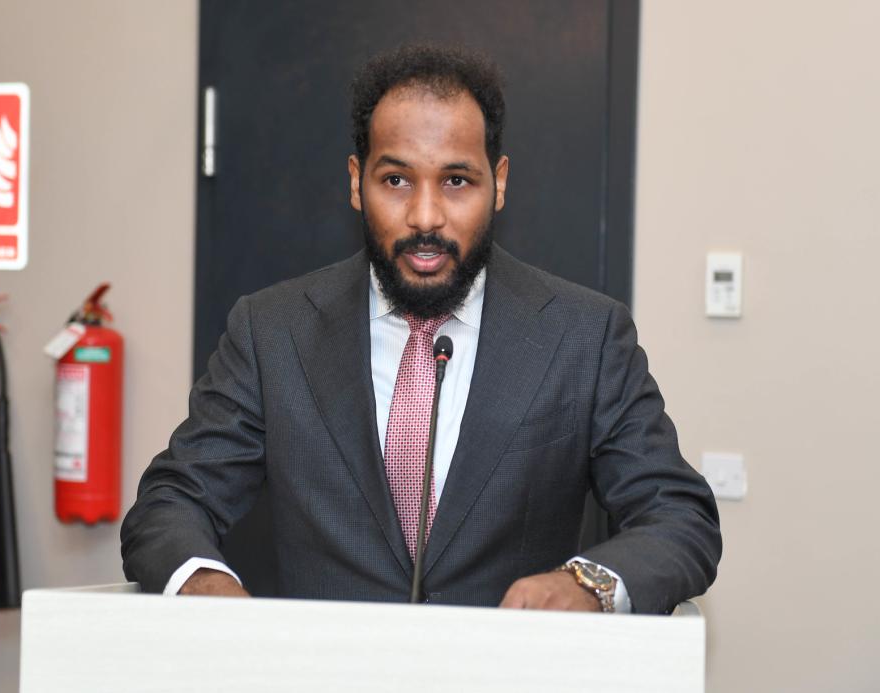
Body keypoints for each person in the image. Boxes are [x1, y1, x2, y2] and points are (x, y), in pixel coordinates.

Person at [121, 44, 721, 614]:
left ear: (499, 182)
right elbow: (171, 503)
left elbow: (679, 517)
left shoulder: (585, 336)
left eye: (456, 180)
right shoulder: (271, 332)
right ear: (356, 181)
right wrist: (204, 587)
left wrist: (588, 586)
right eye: (396, 180)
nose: (426, 216)